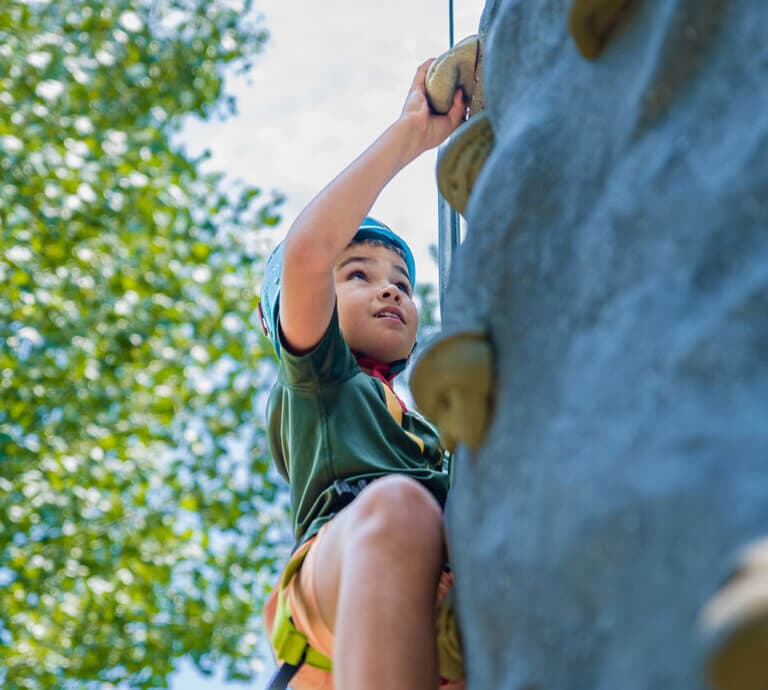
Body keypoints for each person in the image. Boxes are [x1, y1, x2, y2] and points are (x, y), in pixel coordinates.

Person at [259, 58, 467, 690]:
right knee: (401, 508)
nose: (390, 292)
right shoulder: (324, 380)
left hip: (426, 628)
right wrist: (412, 136)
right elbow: (308, 256)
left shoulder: (429, 431)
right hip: (343, 591)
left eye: (403, 283)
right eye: (359, 275)